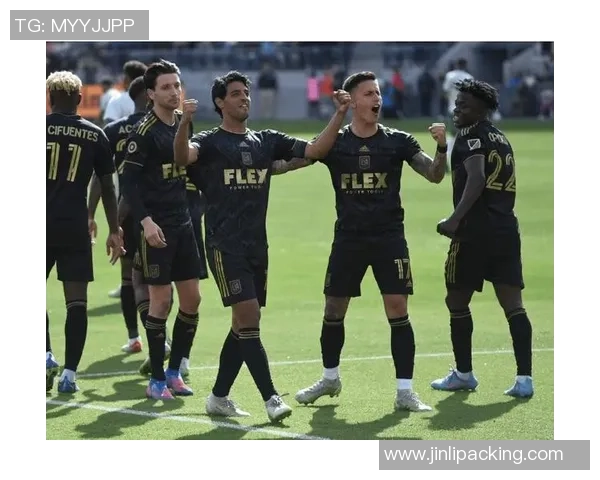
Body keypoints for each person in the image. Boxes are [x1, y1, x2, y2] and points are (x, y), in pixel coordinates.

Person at [174, 70, 351, 422]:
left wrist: (340, 114)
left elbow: (315, 150)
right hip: (224, 246)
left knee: (243, 324)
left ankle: (218, 397)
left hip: (257, 246)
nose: (244, 98)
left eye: (246, 92)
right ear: (220, 102)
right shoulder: (209, 142)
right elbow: (182, 157)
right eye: (235, 93)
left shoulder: (266, 140)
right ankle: (271, 398)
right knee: (250, 317)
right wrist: (184, 123)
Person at [280, 71, 445, 412]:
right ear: (352, 101)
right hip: (349, 239)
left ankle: (405, 392)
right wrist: (253, 164)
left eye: (378, 93)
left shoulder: (398, 141)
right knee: (333, 309)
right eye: (369, 93)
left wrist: (442, 147)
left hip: (389, 238)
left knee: (398, 309)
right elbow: (290, 162)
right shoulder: (335, 142)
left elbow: (434, 175)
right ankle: (330, 378)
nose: (377, 99)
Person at [431, 79, 533, 398]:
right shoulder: (501, 138)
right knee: (513, 305)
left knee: (456, 300)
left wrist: (454, 219)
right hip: (505, 230)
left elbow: (476, 179)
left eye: (464, 105)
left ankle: (464, 374)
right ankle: (525, 379)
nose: (456, 109)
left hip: (474, 232)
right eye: (456, 103)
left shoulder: (469, 136)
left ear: (482, 109)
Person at [121, 59, 202, 401]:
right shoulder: (143, 132)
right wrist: (145, 221)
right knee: (161, 300)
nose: (173, 92)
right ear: (151, 94)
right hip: (156, 227)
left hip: (183, 223)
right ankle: (155, 380)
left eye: (176, 85)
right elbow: (128, 181)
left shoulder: (183, 124)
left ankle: (174, 372)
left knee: (192, 299)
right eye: (166, 87)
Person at [46, 70, 123, 393]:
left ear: (50, 98)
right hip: (75, 226)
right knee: (76, 302)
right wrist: (114, 230)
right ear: (80, 98)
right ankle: (69, 375)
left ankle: (45, 354)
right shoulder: (96, 135)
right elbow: (107, 186)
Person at [88, 76, 147, 354]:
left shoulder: (113, 130)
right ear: (149, 94)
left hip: (126, 212)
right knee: (161, 280)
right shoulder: (166, 125)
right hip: (162, 212)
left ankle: (134, 337)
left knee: (128, 277)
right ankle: (162, 339)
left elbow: (100, 176)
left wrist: (91, 213)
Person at [105, 60, 147, 299]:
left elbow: (107, 137)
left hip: (124, 185)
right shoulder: (163, 120)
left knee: (128, 254)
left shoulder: (117, 101)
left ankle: (127, 286)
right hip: (159, 197)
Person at [442, 59, 473, 156]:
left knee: (453, 132)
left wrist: (450, 100)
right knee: (466, 131)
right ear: (465, 65)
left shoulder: (450, 75)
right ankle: (465, 153)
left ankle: (448, 153)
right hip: (465, 109)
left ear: (456, 65)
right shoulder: (469, 77)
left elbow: (445, 90)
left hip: (452, 107)